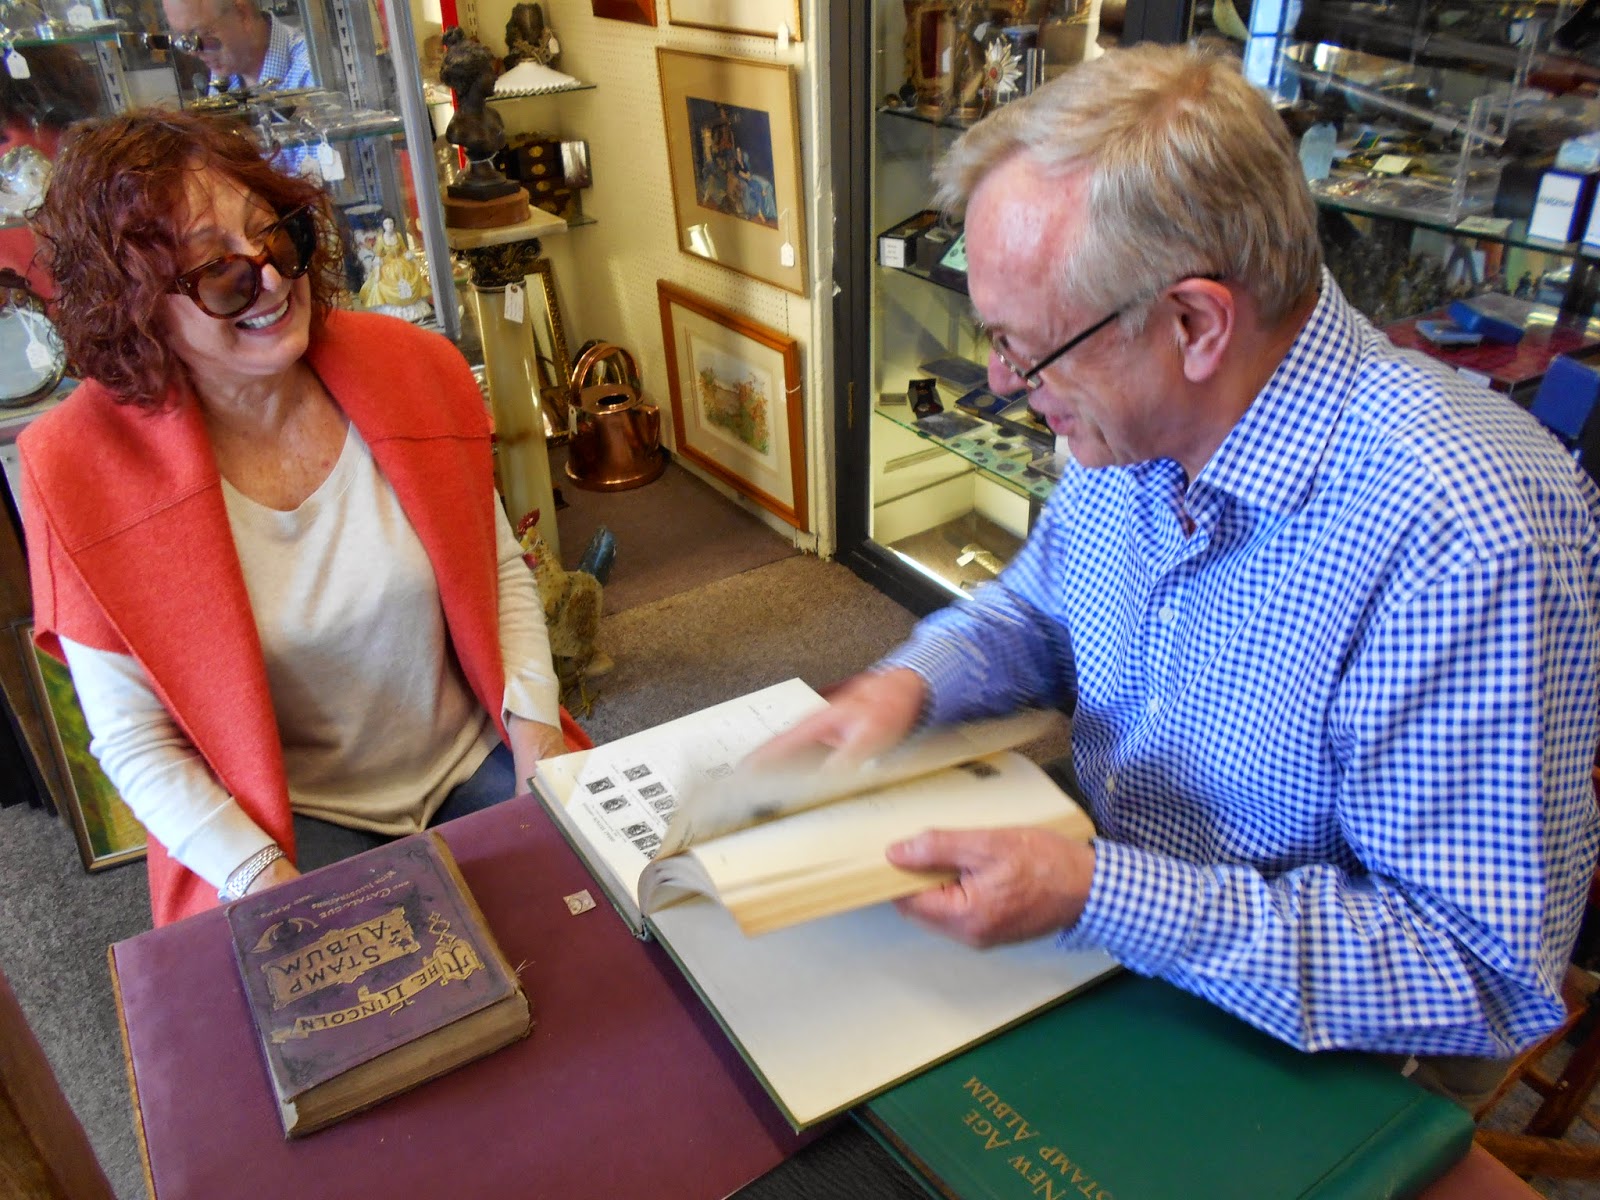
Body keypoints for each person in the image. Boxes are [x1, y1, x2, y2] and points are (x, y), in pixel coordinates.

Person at [761, 41, 1600, 1107]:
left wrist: (1101, 894)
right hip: (1123, 905)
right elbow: (1041, 605)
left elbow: (1469, 971)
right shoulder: (1135, 416)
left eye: (1029, 349)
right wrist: (912, 682)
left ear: (1194, 323)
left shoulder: (1464, 525)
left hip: (1340, 1054)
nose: (1012, 385)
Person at [19, 109, 588, 927]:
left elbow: (497, 572)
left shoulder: (411, 367)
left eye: (277, 239)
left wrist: (537, 735)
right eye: (221, 272)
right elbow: (137, 742)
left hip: (477, 756)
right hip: (286, 818)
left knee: (603, 945)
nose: (274, 281)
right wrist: (264, 881)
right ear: (135, 306)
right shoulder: (74, 469)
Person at [160, 0, 314, 93]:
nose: (194, 53)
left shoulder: (312, 72)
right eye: (185, 40)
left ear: (242, 14)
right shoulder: (227, 73)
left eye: (200, 35)